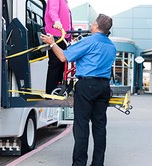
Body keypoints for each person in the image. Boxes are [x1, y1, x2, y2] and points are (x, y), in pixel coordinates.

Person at [41, 14, 116, 166]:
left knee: (81, 125)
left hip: (87, 86)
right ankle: (98, 163)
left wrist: (52, 43)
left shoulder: (89, 41)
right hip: (104, 87)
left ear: (95, 25)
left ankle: (79, 164)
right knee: (99, 126)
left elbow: (63, 57)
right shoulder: (111, 46)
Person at [44, 0, 77, 94]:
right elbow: (53, 11)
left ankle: (57, 89)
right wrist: (56, 21)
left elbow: (66, 20)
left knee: (62, 64)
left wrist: (72, 32)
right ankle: (51, 91)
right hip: (56, 35)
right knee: (55, 64)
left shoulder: (64, 1)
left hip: (63, 36)